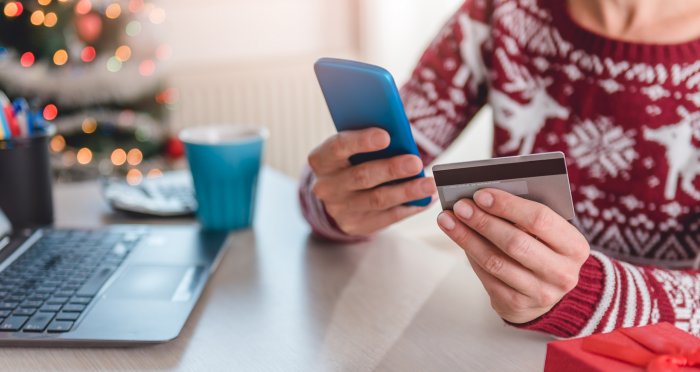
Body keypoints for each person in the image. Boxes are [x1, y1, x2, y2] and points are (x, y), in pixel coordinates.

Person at [299, 0, 700, 338]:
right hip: (504, 345)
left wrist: (585, 293)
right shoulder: (502, 12)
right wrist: (334, 201)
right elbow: (373, 159)